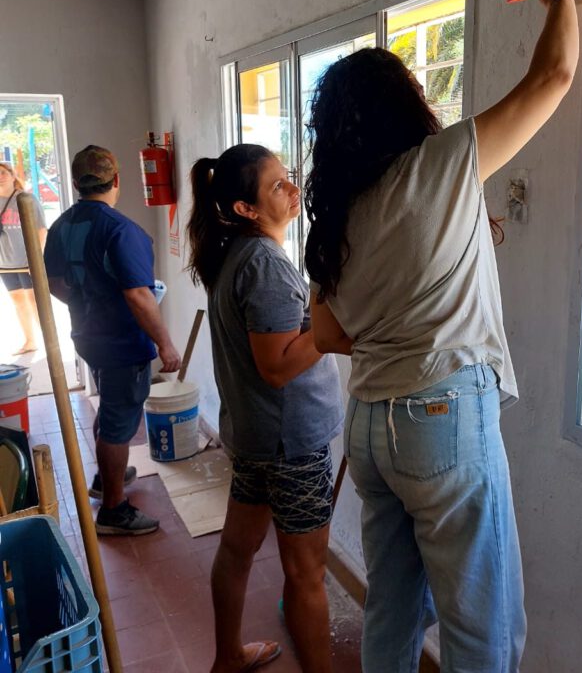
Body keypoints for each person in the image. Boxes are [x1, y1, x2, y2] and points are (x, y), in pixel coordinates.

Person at [303, 0, 579, 672]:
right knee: (483, 627)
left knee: (393, 607)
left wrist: (399, 313)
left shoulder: (338, 208)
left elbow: (328, 335)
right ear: (405, 104)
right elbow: (553, 75)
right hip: (442, 420)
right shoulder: (444, 163)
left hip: (368, 427)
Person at [186, 144, 344, 673]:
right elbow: (275, 366)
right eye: (277, 186)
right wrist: (329, 336)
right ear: (245, 209)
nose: (293, 190)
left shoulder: (233, 253)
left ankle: (227, 657)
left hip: (256, 436)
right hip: (290, 443)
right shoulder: (266, 265)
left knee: (237, 549)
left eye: (289, 177)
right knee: (306, 574)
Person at [44, 145, 181, 535]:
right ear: (117, 180)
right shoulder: (120, 230)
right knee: (120, 422)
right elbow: (139, 296)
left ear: (74, 184)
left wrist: (88, 299)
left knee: (110, 408)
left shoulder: (62, 227)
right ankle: (114, 510)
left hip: (87, 336)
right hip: (122, 343)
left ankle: (107, 480)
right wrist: (165, 344)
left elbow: (54, 283)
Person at [0, 160, 45, 355]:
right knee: (18, 300)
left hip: (27, 261)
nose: (0, 177)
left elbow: (41, 229)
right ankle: (30, 340)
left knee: (35, 300)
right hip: (5, 262)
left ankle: (48, 341)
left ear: (12, 175)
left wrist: (37, 257)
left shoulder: (26, 198)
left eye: (3, 172)